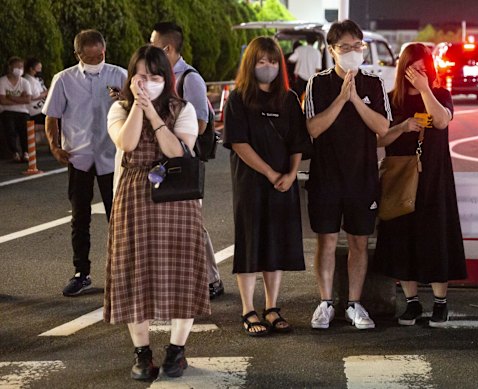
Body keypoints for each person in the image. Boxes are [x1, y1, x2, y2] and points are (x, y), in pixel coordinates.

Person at [105, 45, 210, 380]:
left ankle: (177, 351)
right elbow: (127, 143)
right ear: (130, 77)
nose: (147, 82)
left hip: (176, 198)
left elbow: (177, 153)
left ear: (167, 78)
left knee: (181, 272)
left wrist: (154, 114)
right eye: (140, 75)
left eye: (154, 76)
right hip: (134, 197)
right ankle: (142, 353)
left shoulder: (185, 109)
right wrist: (139, 106)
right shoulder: (119, 109)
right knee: (135, 273)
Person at [304, 20, 391, 330]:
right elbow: (312, 129)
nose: (354, 52)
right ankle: (325, 303)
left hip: (363, 175)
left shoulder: (374, 83)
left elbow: (382, 128)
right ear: (332, 50)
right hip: (326, 176)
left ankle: (354, 303)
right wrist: (342, 98)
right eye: (346, 47)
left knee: (358, 241)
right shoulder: (318, 83)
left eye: (358, 46)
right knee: (326, 240)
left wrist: (355, 98)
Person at [373, 43, 467, 327]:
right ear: (402, 68)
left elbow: (441, 121)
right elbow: (378, 139)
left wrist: (426, 90)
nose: (416, 72)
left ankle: (440, 303)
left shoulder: (440, 95)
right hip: (400, 178)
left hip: (434, 179)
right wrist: (403, 127)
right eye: (412, 66)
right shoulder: (390, 100)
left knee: (435, 236)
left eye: (422, 67)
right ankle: (411, 303)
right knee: (403, 236)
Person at [223, 36, 310, 336]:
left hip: (284, 184)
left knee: (277, 243)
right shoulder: (238, 99)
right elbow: (238, 143)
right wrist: (272, 173)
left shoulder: (288, 99)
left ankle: (272, 307)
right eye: (261, 62)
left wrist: (291, 173)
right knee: (250, 244)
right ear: (251, 64)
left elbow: (299, 141)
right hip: (251, 184)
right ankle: (248, 309)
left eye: (273, 62)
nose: (268, 67)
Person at [43, 29, 127, 296]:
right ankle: (81, 272)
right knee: (80, 218)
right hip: (78, 156)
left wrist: (126, 99)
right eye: (90, 57)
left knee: (119, 218)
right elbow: (52, 116)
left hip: (112, 156)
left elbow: (137, 108)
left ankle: (123, 272)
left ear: (105, 50)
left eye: (100, 55)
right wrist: (54, 147)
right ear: (78, 54)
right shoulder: (64, 79)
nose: (97, 60)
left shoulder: (120, 75)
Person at [150, 21, 225, 300]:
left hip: (183, 161)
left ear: (167, 48)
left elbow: (202, 124)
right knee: (164, 222)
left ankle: (212, 279)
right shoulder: (156, 76)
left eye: (153, 44)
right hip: (158, 161)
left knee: (190, 223)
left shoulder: (189, 78)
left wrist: (165, 126)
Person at [0, 56, 32, 162]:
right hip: (6, 111)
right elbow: (2, 101)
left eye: (21, 67)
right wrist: (20, 98)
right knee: (10, 129)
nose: (20, 69)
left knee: (25, 129)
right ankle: (15, 152)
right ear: (10, 67)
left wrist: (11, 97)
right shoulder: (3, 81)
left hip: (23, 111)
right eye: (17, 66)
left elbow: (28, 100)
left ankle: (26, 152)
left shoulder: (25, 82)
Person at [24, 58, 48, 130]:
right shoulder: (28, 81)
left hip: (42, 109)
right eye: (38, 68)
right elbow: (35, 96)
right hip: (36, 112)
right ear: (31, 69)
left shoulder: (36, 79)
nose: (40, 70)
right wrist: (48, 92)